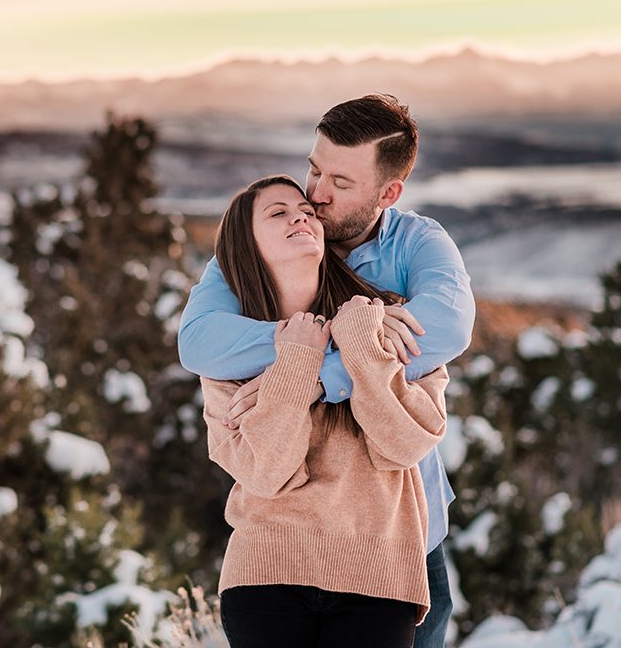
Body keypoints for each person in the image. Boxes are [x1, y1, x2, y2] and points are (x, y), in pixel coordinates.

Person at [180, 94, 475, 648]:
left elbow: (450, 327)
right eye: (315, 168)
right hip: (283, 547)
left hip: (399, 539)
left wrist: (321, 376)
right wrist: (304, 342)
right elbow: (200, 343)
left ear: (388, 193)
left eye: (341, 182)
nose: (315, 195)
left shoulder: (416, 246)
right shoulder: (263, 244)